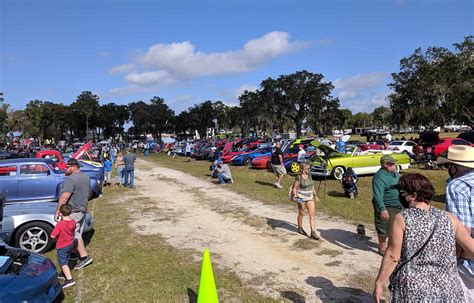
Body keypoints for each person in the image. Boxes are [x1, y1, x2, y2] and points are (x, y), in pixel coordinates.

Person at [373, 173, 474, 302]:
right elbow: (472, 250)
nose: (400, 196)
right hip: (448, 288)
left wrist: (379, 283)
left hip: (413, 288)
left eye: (402, 193)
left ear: (413, 196)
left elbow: (393, 256)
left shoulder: (403, 218)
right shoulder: (450, 218)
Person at [438, 145, 474, 301]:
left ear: (453, 167)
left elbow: (462, 230)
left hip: (469, 261)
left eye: (448, 165)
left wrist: (451, 261)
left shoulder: (457, 186)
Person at [56, 159, 93, 270]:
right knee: (77, 233)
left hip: (74, 211)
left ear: (73, 167)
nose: (65, 169)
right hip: (82, 209)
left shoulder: (71, 179)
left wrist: (58, 210)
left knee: (74, 235)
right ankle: (73, 254)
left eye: (66, 167)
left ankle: (84, 257)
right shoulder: (86, 177)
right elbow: (89, 193)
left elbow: (65, 196)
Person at [372, 155, 402, 256]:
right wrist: (382, 209)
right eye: (392, 164)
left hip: (398, 205)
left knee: (396, 228)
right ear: (385, 165)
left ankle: (394, 245)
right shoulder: (379, 177)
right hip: (387, 206)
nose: (395, 165)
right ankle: (382, 247)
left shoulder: (394, 173)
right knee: (383, 227)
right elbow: (377, 195)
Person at [290, 161, 320, 240]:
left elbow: (312, 185)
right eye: (308, 168)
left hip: (309, 197)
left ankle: (313, 232)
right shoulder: (299, 177)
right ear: (303, 169)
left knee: (312, 214)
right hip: (301, 197)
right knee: (301, 212)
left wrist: (315, 195)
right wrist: (295, 196)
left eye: (309, 168)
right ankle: (300, 228)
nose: (309, 169)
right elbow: (294, 187)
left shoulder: (309, 175)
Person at [51, 204, 77, 289]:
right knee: (66, 257)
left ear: (60, 214)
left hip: (62, 245)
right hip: (70, 243)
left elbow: (52, 235)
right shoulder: (73, 221)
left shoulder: (60, 224)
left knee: (63, 263)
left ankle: (69, 280)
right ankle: (63, 273)